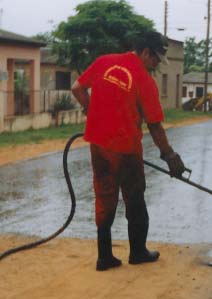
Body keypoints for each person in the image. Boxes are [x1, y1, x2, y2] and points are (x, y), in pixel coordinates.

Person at [71, 31, 186, 271]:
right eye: (155, 59)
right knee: (135, 200)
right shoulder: (144, 81)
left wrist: (92, 111)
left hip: (99, 145)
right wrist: (170, 155)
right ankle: (138, 252)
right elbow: (155, 125)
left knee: (104, 196)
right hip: (126, 151)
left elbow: (77, 88)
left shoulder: (104, 62)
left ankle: (104, 257)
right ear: (145, 52)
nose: (155, 65)